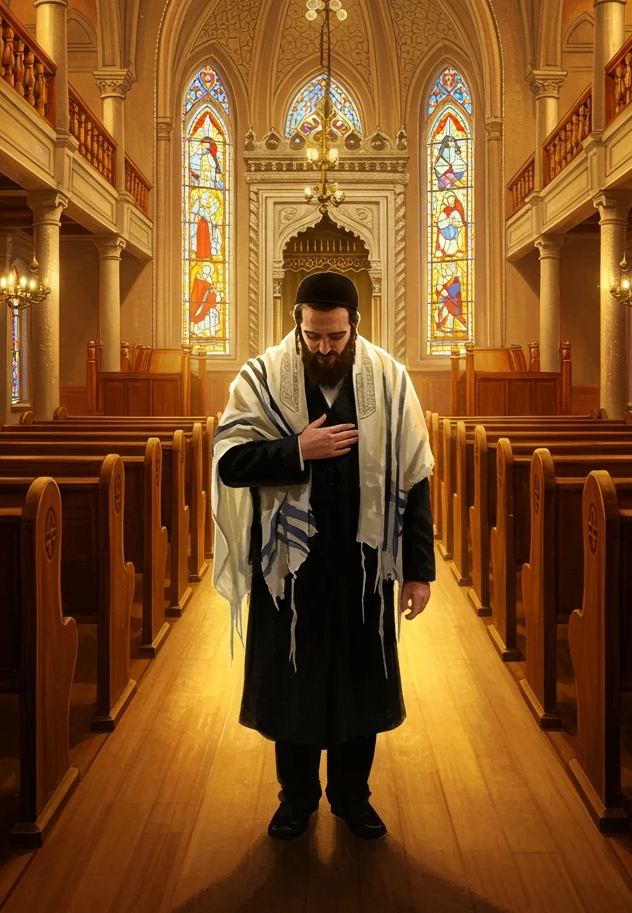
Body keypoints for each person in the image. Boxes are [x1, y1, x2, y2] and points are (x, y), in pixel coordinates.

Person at [212, 271, 435, 843]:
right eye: (313, 336)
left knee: (361, 683)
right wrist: (296, 450)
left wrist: (418, 572)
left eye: (335, 336)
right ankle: (297, 800)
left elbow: (415, 478)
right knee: (294, 684)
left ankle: (353, 798)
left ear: (355, 326)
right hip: (287, 568)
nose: (324, 348)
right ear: (299, 323)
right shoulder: (262, 377)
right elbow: (229, 464)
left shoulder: (389, 378)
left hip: (365, 566)